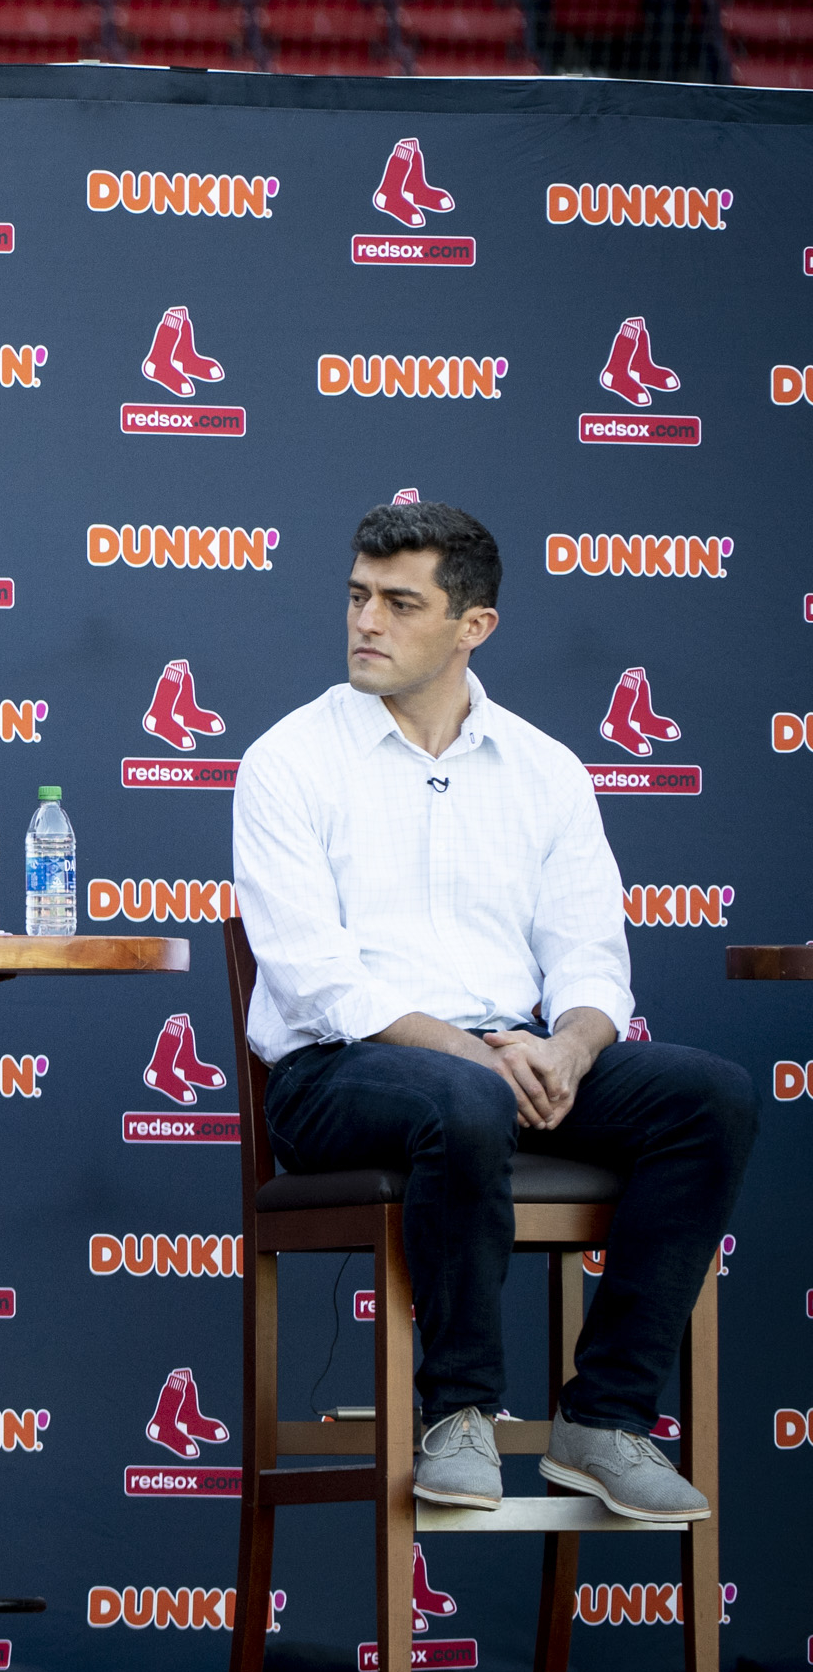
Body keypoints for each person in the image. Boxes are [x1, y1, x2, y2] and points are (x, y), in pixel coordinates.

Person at [232, 501, 752, 1521]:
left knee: (710, 1096)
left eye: (399, 602)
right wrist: (476, 1053)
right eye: (356, 596)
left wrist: (570, 1044)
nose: (365, 622)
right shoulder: (287, 759)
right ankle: (458, 1412)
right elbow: (318, 978)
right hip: (340, 1073)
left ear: (475, 625)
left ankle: (603, 1420)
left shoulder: (546, 768)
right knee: (461, 1097)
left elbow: (593, 954)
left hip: (509, 1052)